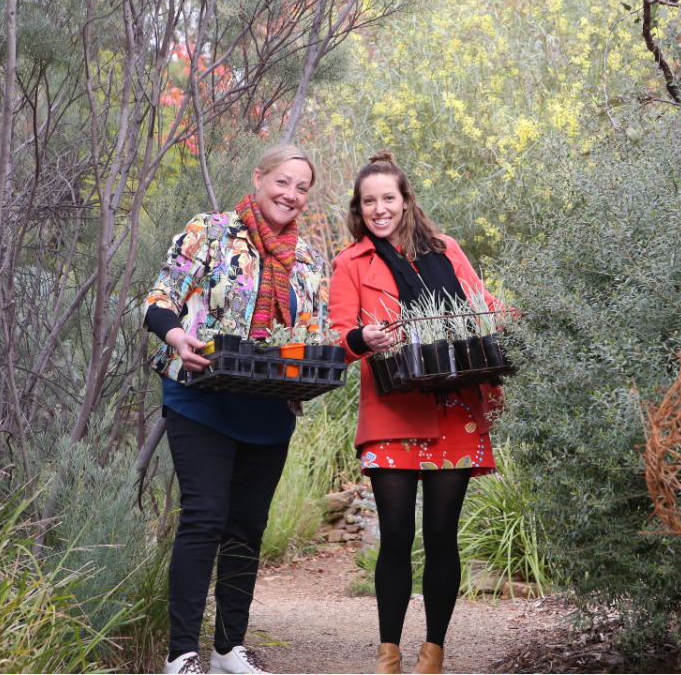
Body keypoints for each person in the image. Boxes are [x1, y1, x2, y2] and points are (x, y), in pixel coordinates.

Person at [143, 145, 328, 675]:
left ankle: (228, 650)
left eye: (301, 189)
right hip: (201, 398)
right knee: (204, 518)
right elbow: (160, 298)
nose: (290, 195)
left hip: (268, 412)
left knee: (247, 527)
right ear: (258, 177)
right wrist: (178, 338)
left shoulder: (310, 260)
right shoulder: (211, 231)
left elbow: (312, 335)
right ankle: (181, 656)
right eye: (283, 182)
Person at [328, 151, 503, 675]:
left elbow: (481, 305)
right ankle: (388, 654)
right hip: (393, 411)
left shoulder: (446, 250)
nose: (380, 208)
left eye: (389, 198)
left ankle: (433, 652)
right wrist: (365, 337)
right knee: (397, 535)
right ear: (359, 210)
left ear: (405, 201)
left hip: (455, 410)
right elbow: (336, 340)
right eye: (369, 201)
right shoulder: (350, 263)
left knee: (442, 536)